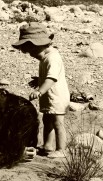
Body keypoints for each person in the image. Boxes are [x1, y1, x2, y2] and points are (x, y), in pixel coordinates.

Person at [12, 22, 70, 158]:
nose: (31, 55)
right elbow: (47, 76)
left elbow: (52, 78)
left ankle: (62, 149)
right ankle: (48, 145)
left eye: (31, 51)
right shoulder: (46, 58)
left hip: (57, 97)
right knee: (47, 120)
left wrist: (39, 91)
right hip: (50, 96)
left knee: (57, 123)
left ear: (39, 45)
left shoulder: (53, 58)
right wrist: (38, 80)